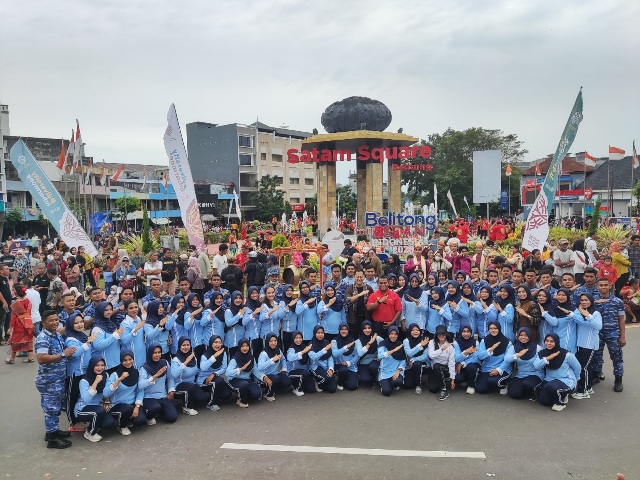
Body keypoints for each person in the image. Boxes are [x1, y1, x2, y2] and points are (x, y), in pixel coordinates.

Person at [35, 310, 74, 449]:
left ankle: (54, 431)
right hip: (49, 381)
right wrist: (63, 354)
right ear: (43, 323)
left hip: (58, 379)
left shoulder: (56, 334)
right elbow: (41, 358)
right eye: (51, 320)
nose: (55, 322)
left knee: (56, 407)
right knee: (51, 409)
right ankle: (52, 438)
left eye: (56, 319)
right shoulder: (42, 338)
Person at [591, 277, 625, 393]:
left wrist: (622, 336)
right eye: (601, 285)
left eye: (606, 285)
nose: (604, 287)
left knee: (617, 357)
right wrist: (593, 302)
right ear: (597, 287)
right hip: (597, 333)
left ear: (610, 286)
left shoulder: (617, 301)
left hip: (613, 332)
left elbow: (621, 319)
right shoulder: (592, 300)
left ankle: (618, 380)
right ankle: (596, 375)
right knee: (596, 355)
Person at [533, 333, 581, 411]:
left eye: (552, 341)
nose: (548, 343)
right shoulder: (542, 353)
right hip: (549, 380)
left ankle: (560, 402)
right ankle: (559, 394)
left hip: (565, 380)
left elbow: (577, 367)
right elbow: (536, 366)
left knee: (551, 387)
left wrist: (575, 380)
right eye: (547, 341)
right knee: (544, 401)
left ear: (556, 342)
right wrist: (548, 358)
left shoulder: (566, 354)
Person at [75, 356, 118, 442]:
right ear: (92, 366)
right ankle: (90, 433)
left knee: (109, 423)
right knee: (98, 411)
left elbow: (106, 391)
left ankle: (94, 424)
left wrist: (106, 402)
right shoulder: (84, 380)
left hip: (98, 407)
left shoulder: (105, 375)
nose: (100, 368)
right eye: (97, 365)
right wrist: (96, 382)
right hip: (82, 408)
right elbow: (86, 399)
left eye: (102, 365)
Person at [104, 350, 147, 435]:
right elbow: (106, 393)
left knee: (140, 421)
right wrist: (119, 379)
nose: (128, 362)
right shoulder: (115, 375)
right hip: (117, 405)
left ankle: (127, 419)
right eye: (125, 360)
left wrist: (137, 406)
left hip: (132, 404)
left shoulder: (136, 372)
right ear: (121, 361)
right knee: (127, 409)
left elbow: (140, 390)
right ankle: (121, 426)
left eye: (130, 359)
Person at [571, 294, 602, 399]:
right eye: (582, 300)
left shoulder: (595, 313)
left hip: (589, 345)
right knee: (586, 367)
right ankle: (588, 387)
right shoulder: (580, 312)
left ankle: (582, 391)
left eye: (586, 300)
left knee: (582, 367)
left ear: (591, 301)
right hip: (580, 344)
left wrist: (588, 316)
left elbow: (598, 326)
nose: (584, 302)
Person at [138, 343, 178, 424]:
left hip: (162, 395)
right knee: (155, 407)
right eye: (154, 353)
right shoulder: (144, 368)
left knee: (172, 417)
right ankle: (148, 416)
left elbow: (170, 377)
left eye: (159, 352)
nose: (157, 355)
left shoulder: (165, 363)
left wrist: (171, 391)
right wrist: (155, 376)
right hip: (148, 397)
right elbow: (141, 385)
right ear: (150, 354)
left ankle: (158, 412)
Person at [171, 337, 208, 415]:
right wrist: (185, 362)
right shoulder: (176, 360)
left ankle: (187, 399)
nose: (186, 347)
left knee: (202, 399)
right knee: (189, 388)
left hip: (192, 385)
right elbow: (174, 374)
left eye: (188, 345)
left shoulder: (193, 357)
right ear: (179, 346)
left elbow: (197, 370)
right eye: (183, 345)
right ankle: (186, 407)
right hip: (179, 385)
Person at [504, 327, 542, 400]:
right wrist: (517, 355)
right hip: (521, 374)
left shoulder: (537, 348)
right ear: (518, 336)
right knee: (514, 394)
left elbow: (539, 365)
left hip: (535, 374)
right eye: (521, 335)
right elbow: (506, 359)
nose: (523, 337)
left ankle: (535, 390)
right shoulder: (514, 347)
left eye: (526, 335)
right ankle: (525, 391)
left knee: (528, 384)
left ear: (529, 336)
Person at [475, 322, 513, 395]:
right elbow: (480, 356)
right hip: (487, 368)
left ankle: (504, 384)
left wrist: (498, 370)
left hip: (502, 368)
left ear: (499, 329)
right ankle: (490, 384)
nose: (493, 330)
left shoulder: (507, 342)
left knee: (494, 381)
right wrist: (490, 349)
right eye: (491, 328)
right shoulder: (484, 341)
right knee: (481, 389)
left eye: (495, 328)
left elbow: (507, 360)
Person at [197, 335, 232, 411]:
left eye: (220, 342)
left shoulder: (223, 353)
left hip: (216, 377)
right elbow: (203, 368)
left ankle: (212, 394)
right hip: (204, 379)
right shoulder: (205, 355)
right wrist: (214, 356)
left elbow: (224, 368)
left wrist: (214, 374)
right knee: (219, 380)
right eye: (215, 342)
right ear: (211, 343)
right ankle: (211, 403)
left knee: (227, 394)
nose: (218, 345)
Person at [225, 338, 262, 408]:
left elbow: (256, 371)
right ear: (239, 347)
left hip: (247, 380)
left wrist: (265, 378)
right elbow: (227, 373)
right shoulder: (235, 358)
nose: (245, 348)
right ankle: (241, 400)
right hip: (235, 380)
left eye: (247, 346)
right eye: (242, 346)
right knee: (244, 385)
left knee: (256, 395)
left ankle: (244, 393)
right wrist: (241, 369)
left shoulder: (251, 358)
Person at [256, 332, 292, 401]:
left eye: (275, 341)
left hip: (275, 374)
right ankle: (267, 394)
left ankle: (273, 388)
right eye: (271, 341)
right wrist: (272, 360)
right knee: (275, 378)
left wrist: (284, 369)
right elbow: (260, 367)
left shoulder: (278, 350)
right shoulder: (264, 353)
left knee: (287, 382)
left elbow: (283, 359)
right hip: (264, 376)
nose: (273, 343)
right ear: (267, 342)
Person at [91, 302, 124, 373]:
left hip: (116, 363)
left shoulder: (112, 325)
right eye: (106, 310)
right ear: (100, 312)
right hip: (104, 367)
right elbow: (98, 346)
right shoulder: (97, 328)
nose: (109, 312)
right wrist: (114, 335)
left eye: (110, 309)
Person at [6, 284, 35, 364]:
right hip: (28, 322)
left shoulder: (16, 303)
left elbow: (13, 317)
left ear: (16, 293)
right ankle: (30, 357)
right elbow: (29, 311)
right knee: (29, 340)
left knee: (15, 341)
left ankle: (12, 358)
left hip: (19, 324)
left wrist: (10, 328)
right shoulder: (28, 301)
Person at [427, 325, 456, 400]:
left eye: (443, 334)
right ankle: (440, 380)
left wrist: (453, 379)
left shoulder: (450, 346)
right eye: (439, 334)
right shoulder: (431, 342)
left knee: (437, 366)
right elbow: (431, 355)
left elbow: (451, 363)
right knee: (433, 389)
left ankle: (444, 389)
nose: (441, 336)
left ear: (446, 335)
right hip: (434, 369)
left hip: (445, 368)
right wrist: (441, 349)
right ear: (436, 335)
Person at [377, 326, 406, 396]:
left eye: (396, 334)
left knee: (398, 382)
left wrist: (398, 371)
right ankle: (384, 383)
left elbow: (403, 360)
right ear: (388, 334)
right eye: (391, 333)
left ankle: (391, 383)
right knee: (386, 392)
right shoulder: (383, 344)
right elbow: (380, 356)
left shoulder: (400, 345)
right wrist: (393, 351)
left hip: (395, 371)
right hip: (385, 371)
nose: (393, 336)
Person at [308, 325, 337, 393]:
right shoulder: (311, 344)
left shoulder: (326, 342)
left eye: (322, 333)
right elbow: (314, 357)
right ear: (314, 333)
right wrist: (324, 350)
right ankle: (317, 382)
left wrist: (330, 368)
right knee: (326, 378)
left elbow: (330, 357)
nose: (320, 335)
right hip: (316, 367)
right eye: (318, 333)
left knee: (332, 389)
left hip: (326, 367)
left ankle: (325, 382)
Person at [330, 322, 359, 391]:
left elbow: (357, 355)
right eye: (342, 329)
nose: (344, 331)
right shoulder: (334, 341)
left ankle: (347, 379)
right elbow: (335, 353)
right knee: (343, 369)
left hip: (351, 366)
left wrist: (349, 363)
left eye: (346, 329)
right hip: (339, 365)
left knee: (352, 387)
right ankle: (340, 382)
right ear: (339, 330)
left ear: (348, 330)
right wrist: (345, 347)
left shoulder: (352, 341)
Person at [286, 330, 316, 395]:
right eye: (296, 338)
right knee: (304, 373)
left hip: (304, 371)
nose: (298, 340)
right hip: (293, 371)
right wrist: (303, 352)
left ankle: (301, 384)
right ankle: (296, 388)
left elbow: (309, 360)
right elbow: (290, 358)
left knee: (311, 389)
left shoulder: (304, 346)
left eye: (300, 338)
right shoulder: (291, 349)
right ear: (293, 338)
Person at [403, 323, 430, 394]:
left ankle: (418, 385)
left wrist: (414, 359)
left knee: (417, 364)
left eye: (417, 330)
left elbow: (425, 357)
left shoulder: (424, 340)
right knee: (407, 385)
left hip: (423, 365)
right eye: (413, 330)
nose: (415, 332)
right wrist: (420, 345)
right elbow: (409, 353)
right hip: (410, 366)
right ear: (409, 331)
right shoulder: (406, 341)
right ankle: (415, 379)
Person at [453, 325, 480, 394]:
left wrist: (462, 363)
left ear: (471, 332)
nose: (466, 334)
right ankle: (466, 380)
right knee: (457, 379)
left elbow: (476, 357)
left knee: (471, 367)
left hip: (472, 365)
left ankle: (471, 385)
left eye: (468, 331)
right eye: (464, 331)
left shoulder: (475, 342)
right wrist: (466, 352)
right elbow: (457, 358)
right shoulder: (456, 342)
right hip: (461, 366)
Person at [119, 299, 146, 368]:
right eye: (131, 308)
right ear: (125, 310)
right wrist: (135, 330)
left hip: (141, 353)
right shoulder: (125, 324)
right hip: (132, 355)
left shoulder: (138, 319)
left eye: (136, 307)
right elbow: (124, 340)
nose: (134, 310)